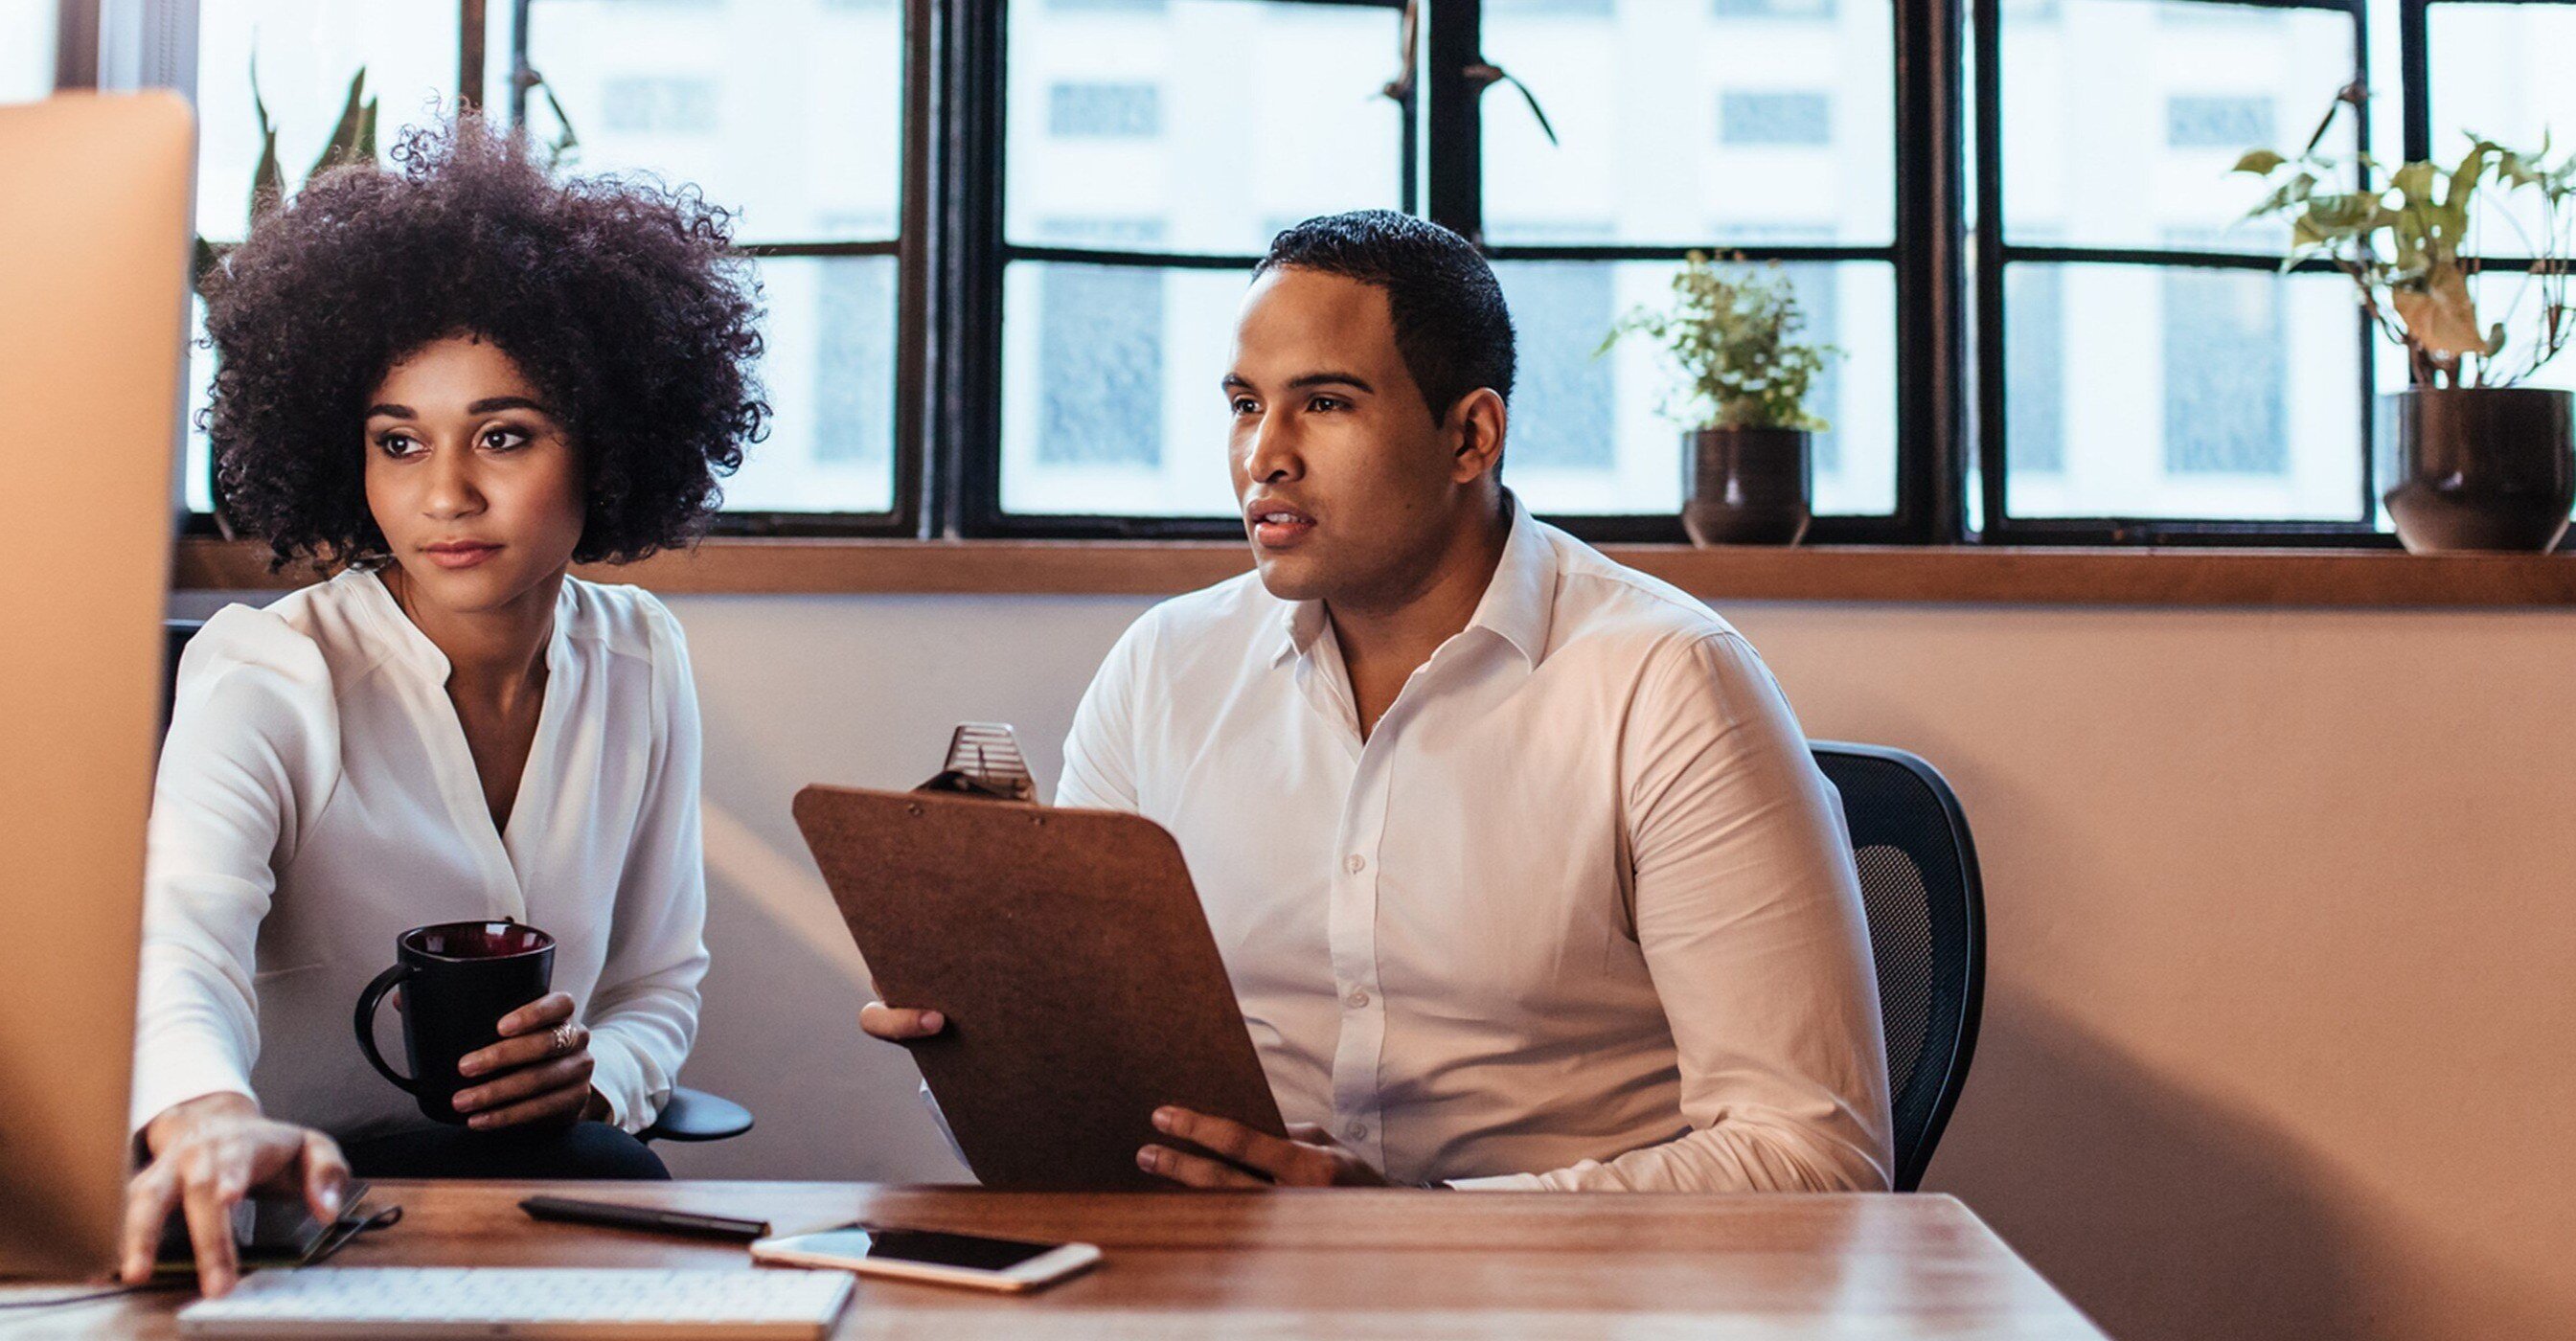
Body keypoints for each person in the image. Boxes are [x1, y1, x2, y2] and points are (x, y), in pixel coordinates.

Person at [865, 211, 1891, 1193]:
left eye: (1324, 402)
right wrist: (989, 1041)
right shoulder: (1162, 668)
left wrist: (1423, 1217)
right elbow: (1100, 1091)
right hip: (1221, 1288)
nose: (1263, 453)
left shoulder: (1669, 682)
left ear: (1469, 437)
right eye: (1242, 402)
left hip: (1556, 1306)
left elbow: (1813, 1153)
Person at [122, 118, 767, 1296]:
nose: (447, 492)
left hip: (536, 1211)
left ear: (608, 448)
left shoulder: (641, 658)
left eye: (504, 435)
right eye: (399, 442)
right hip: (288, 1228)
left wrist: (598, 1075)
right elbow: (180, 944)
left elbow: (658, 982)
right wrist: (207, 1113)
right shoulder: (266, 671)